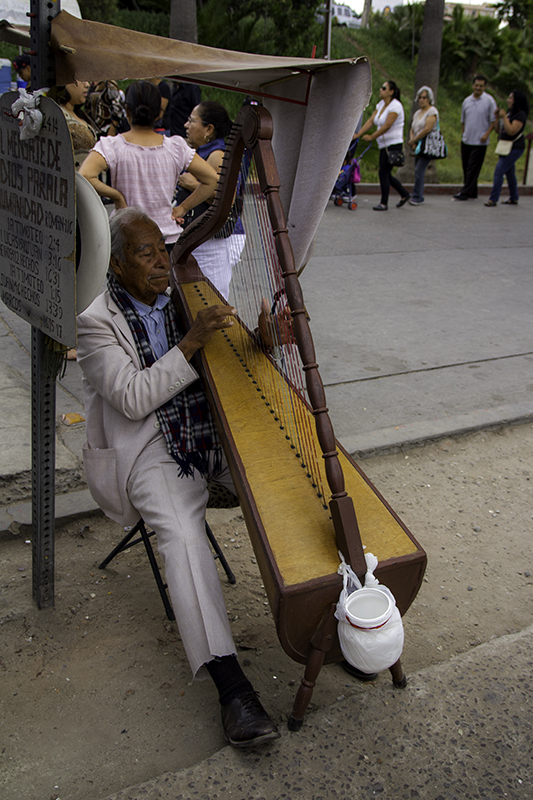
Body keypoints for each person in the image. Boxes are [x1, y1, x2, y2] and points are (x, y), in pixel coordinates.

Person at [76, 207, 281, 748]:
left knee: (294, 481)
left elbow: (233, 360)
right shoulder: (96, 322)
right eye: (146, 254)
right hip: (152, 449)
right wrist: (190, 342)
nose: (162, 263)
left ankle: (340, 611)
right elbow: (134, 397)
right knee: (184, 539)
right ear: (117, 265)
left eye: (163, 250)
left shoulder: (190, 292)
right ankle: (232, 687)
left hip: (214, 431)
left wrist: (262, 341)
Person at [79, 81, 217, 251]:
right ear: (159, 113)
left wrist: (117, 196)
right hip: (165, 243)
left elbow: (84, 175)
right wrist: (182, 208)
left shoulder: (112, 145)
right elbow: (212, 180)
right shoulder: (175, 147)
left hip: (126, 240)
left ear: (127, 110)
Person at [176, 101, 246, 298]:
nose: (186, 126)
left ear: (209, 129)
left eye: (191, 121)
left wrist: (192, 184)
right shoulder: (202, 153)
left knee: (213, 297)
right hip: (201, 238)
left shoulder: (216, 155)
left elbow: (227, 200)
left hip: (212, 241)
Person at [358, 80, 410, 211]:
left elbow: (387, 125)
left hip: (393, 144)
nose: (380, 90)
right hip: (383, 145)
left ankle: (384, 202)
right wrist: (358, 134)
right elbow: (371, 121)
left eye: (384, 88)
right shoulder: (381, 104)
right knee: (385, 173)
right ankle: (404, 194)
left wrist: (372, 136)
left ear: (391, 92)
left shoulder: (396, 106)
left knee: (383, 173)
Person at [454, 75, 497, 201]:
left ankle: (465, 192)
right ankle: (472, 191)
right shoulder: (467, 101)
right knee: (466, 167)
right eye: (476, 85)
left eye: (481, 86)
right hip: (467, 139)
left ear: (485, 87)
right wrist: (463, 134)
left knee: (473, 167)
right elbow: (463, 121)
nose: (478, 88)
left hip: (480, 141)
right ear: (473, 86)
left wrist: (486, 134)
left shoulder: (489, 101)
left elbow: (493, 121)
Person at [485, 90, 530, 207]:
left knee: (499, 170)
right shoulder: (510, 114)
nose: (508, 100)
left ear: (517, 101)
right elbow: (497, 130)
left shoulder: (520, 115)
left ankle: (493, 199)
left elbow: (511, 131)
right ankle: (514, 197)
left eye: (511, 98)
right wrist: (496, 117)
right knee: (510, 173)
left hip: (515, 147)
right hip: (504, 146)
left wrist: (504, 117)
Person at [50, 81, 99, 170]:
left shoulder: (80, 114)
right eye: (80, 79)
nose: (87, 85)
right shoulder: (58, 116)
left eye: (87, 80)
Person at [408, 86, 439, 206]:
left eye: (424, 98)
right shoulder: (417, 113)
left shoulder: (432, 112)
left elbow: (427, 129)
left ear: (429, 99)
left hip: (427, 144)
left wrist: (415, 139)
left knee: (419, 170)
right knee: (417, 169)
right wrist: (412, 140)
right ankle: (417, 193)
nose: (422, 100)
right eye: (420, 97)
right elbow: (412, 127)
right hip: (417, 144)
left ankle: (418, 196)